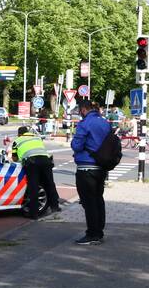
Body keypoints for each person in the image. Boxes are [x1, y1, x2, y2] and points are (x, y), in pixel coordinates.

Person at [71, 98, 112, 245]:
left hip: (86, 168)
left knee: (89, 202)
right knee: (98, 199)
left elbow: (77, 145)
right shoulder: (104, 122)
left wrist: (73, 142)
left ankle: (92, 234)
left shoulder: (84, 124)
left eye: (80, 111)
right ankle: (99, 231)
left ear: (83, 110)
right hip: (101, 167)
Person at [11, 126, 61, 219]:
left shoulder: (17, 141)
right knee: (49, 184)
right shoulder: (37, 138)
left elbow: (14, 158)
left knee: (33, 186)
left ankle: (34, 213)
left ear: (19, 134)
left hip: (32, 163)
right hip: (46, 161)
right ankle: (55, 206)